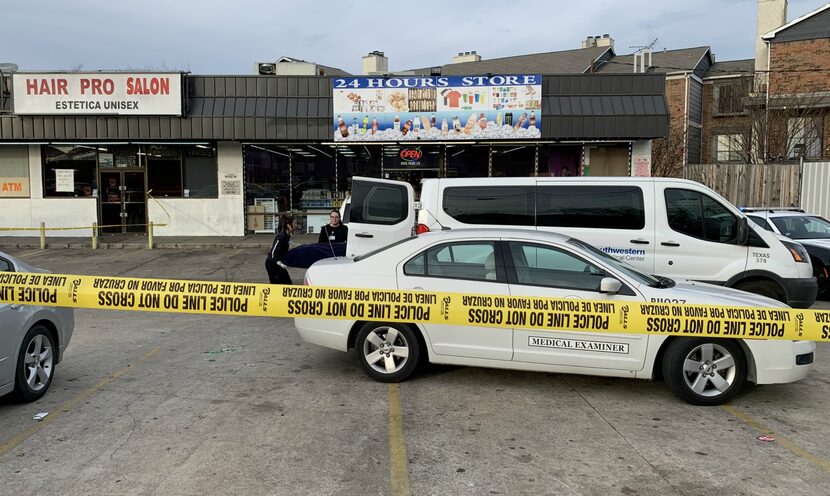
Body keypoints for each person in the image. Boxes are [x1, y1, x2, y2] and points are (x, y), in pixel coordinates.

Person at [266, 216, 294, 284]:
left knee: (288, 284)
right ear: (288, 225)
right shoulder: (281, 236)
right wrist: (279, 262)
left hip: (278, 264)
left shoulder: (287, 236)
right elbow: (273, 252)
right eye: (294, 223)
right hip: (272, 264)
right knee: (276, 286)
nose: (296, 225)